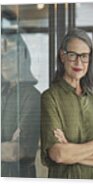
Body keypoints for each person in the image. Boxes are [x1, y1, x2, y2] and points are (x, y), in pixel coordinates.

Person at [41, 28, 93, 179]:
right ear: (62, 56)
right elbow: (59, 154)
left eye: (84, 56)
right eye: (72, 55)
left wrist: (72, 152)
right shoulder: (50, 97)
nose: (78, 62)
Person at [1, 34, 40, 177]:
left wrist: (11, 147)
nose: (4, 62)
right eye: (1, 56)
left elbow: (15, 151)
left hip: (17, 177)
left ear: (23, 59)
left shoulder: (32, 97)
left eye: (10, 56)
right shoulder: (2, 94)